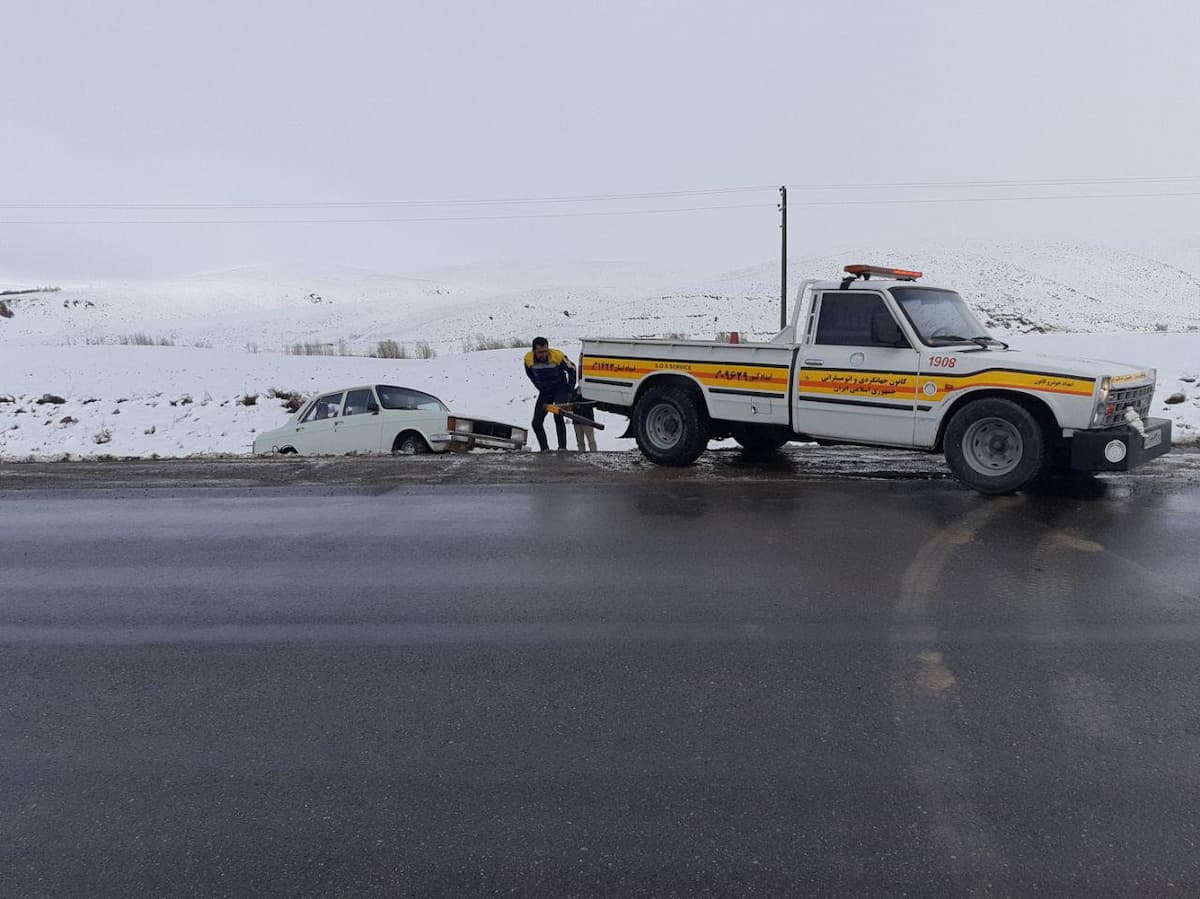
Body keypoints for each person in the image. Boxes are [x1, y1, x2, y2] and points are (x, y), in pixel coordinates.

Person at [523, 336, 576, 451]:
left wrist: (570, 392)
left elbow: (572, 369)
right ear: (534, 351)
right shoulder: (528, 360)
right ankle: (545, 449)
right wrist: (539, 387)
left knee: (558, 415)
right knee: (536, 423)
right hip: (545, 391)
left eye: (545, 351)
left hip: (560, 389)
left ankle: (562, 448)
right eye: (540, 352)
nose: (544, 354)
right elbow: (531, 375)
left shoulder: (557, 356)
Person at [570, 386, 597, 452]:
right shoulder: (575, 391)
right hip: (577, 421)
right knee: (580, 442)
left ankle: (594, 453)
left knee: (591, 440)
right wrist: (578, 396)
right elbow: (571, 402)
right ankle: (581, 453)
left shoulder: (589, 391)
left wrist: (580, 396)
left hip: (587, 420)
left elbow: (592, 403)